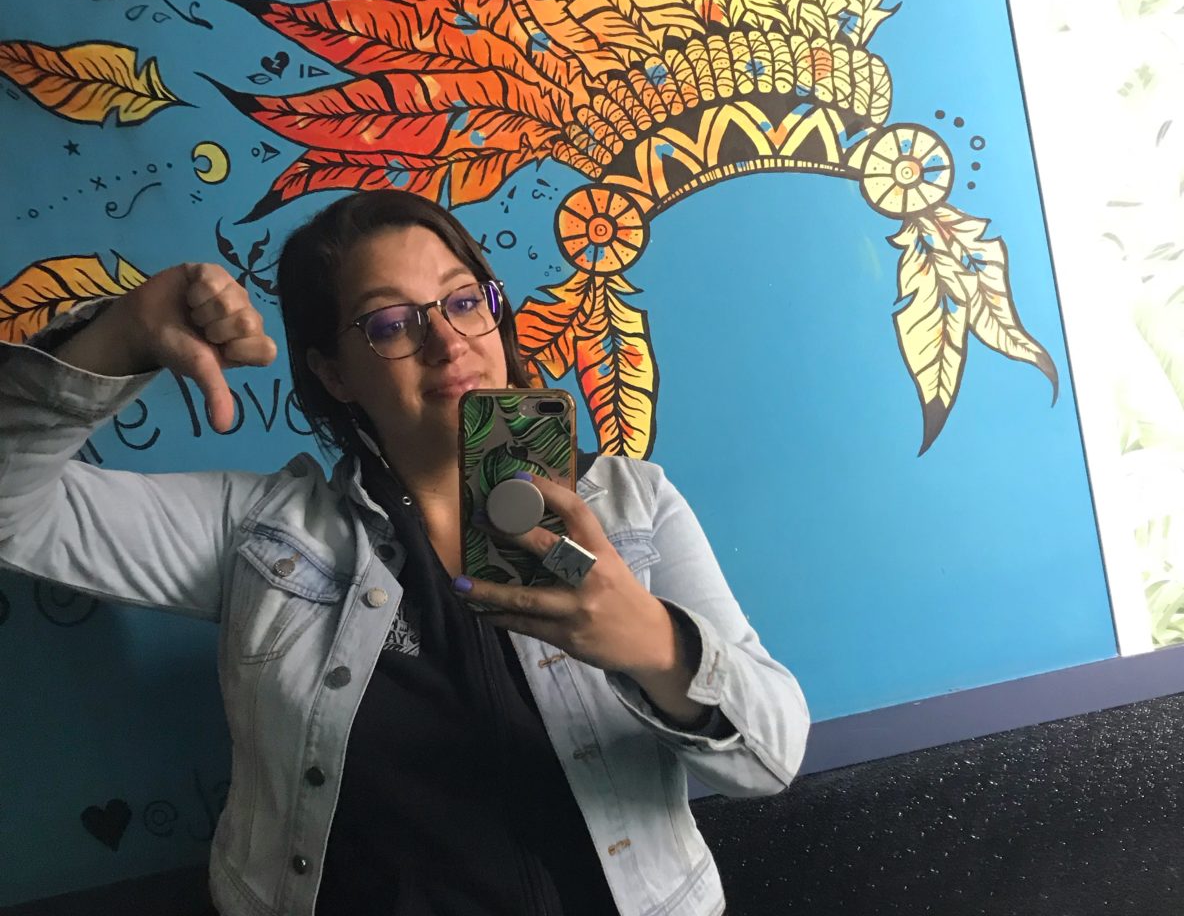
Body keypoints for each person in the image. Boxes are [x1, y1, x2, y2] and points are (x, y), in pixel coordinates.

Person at [0, 190, 809, 916]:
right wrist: (116, 340)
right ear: (334, 372)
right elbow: (15, 510)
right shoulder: (262, 533)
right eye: (391, 323)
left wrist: (656, 645)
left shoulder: (634, 505)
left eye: (464, 301)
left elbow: (772, 759)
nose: (448, 342)